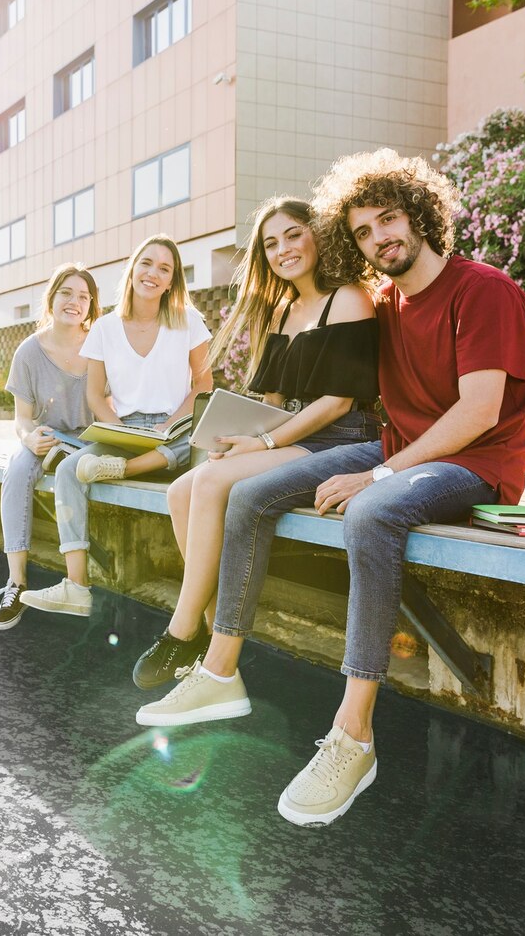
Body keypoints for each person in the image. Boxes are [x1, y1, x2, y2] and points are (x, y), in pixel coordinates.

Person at [138, 149, 525, 828]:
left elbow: (477, 414)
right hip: (392, 449)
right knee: (243, 493)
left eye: (389, 219)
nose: (379, 236)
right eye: (361, 230)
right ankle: (221, 670)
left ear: (421, 214)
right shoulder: (382, 301)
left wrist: (381, 472)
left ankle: (352, 735)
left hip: (478, 464)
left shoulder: (485, 290)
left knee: (369, 513)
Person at [130, 196, 381, 692]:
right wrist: (243, 436)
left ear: (317, 233)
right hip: (289, 435)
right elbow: (273, 399)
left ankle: (180, 633)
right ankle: (201, 629)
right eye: (270, 243)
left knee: (214, 481)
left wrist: (264, 440)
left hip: (342, 438)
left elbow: (337, 402)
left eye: (292, 234)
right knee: (183, 488)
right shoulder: (283, 312)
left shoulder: (349, 298)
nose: (282, 249)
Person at [19, 235, 213, 618]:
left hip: (178, 423)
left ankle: (126, 469)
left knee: (197, 444)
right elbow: (95, 396)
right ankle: (76, 586)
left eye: (164, 268)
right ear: (132, 268)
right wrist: (124, 432)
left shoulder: (188, 320)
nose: (153, 273)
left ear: (173, 280)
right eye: (146, 263)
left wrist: (170, 425)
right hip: (126, 428)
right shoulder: (104, 328)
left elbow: (204, 385)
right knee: (71, 469)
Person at [0, 264, 101, 631]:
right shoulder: (28, 351)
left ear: (91, 305)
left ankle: (75, 585)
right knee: (17, 471)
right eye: (67, 293)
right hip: (47, 438)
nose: (75, 302)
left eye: (84, 297)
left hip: (90, 441)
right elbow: (21, 418)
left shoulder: (101, 343)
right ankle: (16, 583)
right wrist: (28, 438)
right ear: (51, 299)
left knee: (76, 475)